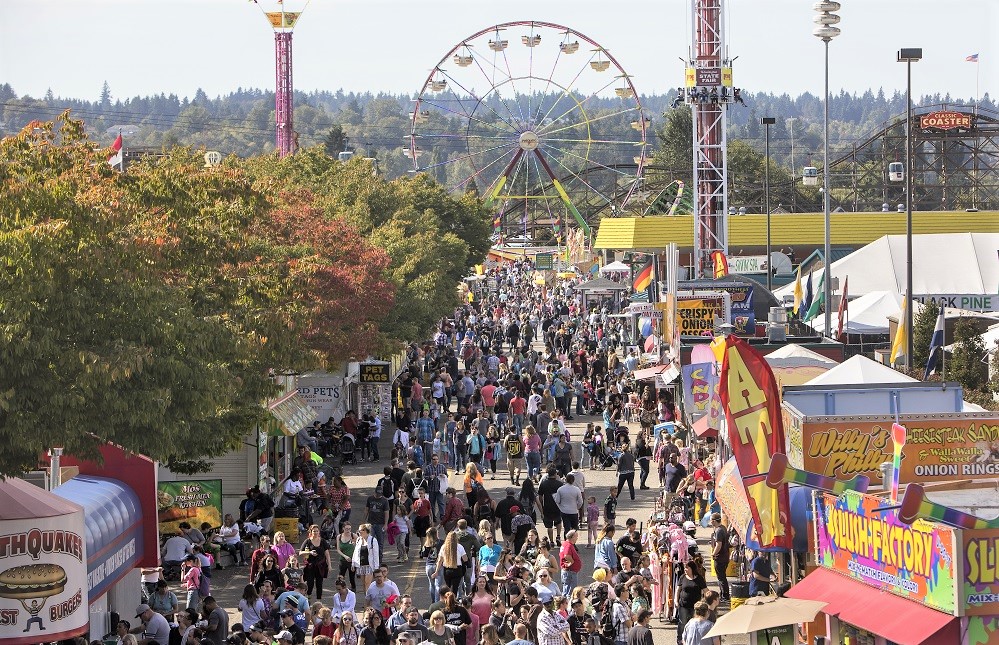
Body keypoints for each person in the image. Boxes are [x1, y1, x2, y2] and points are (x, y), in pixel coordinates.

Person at [676, 559, 707, 644]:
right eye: (685, 568)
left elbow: (706, 591)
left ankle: (692, 640)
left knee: (694, 623)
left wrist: (706, 601)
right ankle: (680, 640)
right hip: (683, 605)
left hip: (695, 607)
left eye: (687, 568)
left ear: (692, 569)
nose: (685, 569)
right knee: (682, 623)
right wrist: (676, 601)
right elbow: (678, 590)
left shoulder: (699, 579)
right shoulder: (682, 577)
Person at [434, 530, 468, 595]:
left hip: (447, 569)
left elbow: (439, 560)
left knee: (448, 587)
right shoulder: (460, 547)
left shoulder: (444, 547)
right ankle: (453, 601)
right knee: (455, 588)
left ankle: (447, 601)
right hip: (457, 569)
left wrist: (436, 571)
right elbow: (465, 559)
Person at [351, 525, 381, 591]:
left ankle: (368, 600)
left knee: (368, 584)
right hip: (361, 565)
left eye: (360, 530)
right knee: (364, 584)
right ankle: (366, 598)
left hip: (369, 566)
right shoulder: (359, 539)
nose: (359, 532)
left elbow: (376, 554)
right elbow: (355, 552)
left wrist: (376, 567)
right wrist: (353, 563)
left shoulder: (373, 540)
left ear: (365, 531)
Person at [708, 513, 730, 602]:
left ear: (714, 521)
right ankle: (724, 594)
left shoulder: (719, 531)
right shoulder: (723, 528)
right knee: (722, 577)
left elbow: (719, 544)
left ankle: (725, 596)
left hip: (720, 557)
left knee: (721, 577)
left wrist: (713, 554)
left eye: (711, 520)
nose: (710, 522)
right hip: (725, 556)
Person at [559, 530, 582, 596]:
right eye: (576, 536)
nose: (577, 538)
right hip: (570, 571)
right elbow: (566, 555)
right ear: (572, 537)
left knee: (566, 589)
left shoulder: (565, 544)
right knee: (570, 592)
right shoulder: (568, 545)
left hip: (568, 571)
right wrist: (571, 562)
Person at [336, 523, 358, 591]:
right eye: (346, 529)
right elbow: (338, 550)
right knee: (341, 576)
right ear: (343, 529)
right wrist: (345, 556)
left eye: (349, 529)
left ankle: (353, 590)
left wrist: (355, 545)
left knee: (352, 577)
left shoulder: (354, 536)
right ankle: (341, 589)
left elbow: (359, 548)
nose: (348, 530)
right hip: (343, 559)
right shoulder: (339, 537)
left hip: (352, 560)